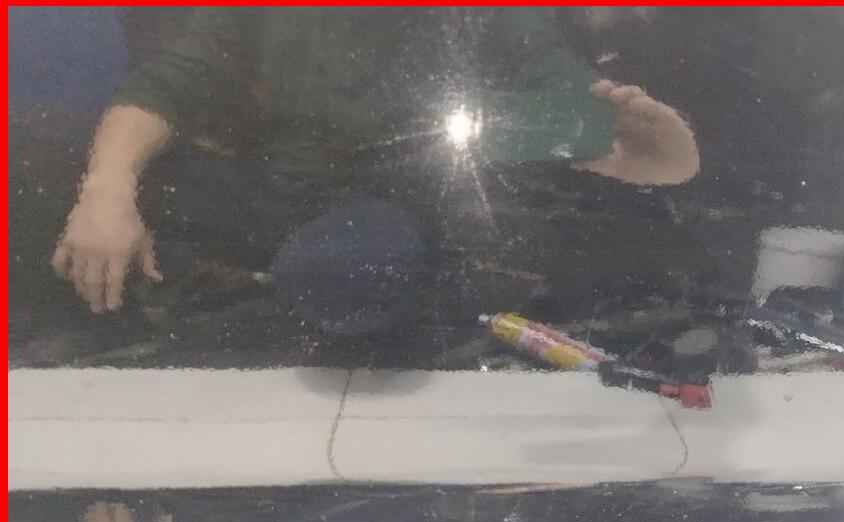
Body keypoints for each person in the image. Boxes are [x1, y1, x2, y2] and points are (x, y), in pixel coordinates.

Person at [51, 8, 699, 334]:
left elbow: (562, 92)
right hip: (254, 182)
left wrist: (649, 152)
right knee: (53, 160)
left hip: (381, 207)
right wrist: (106, 191)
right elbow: (168, 82)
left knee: (342, 271)